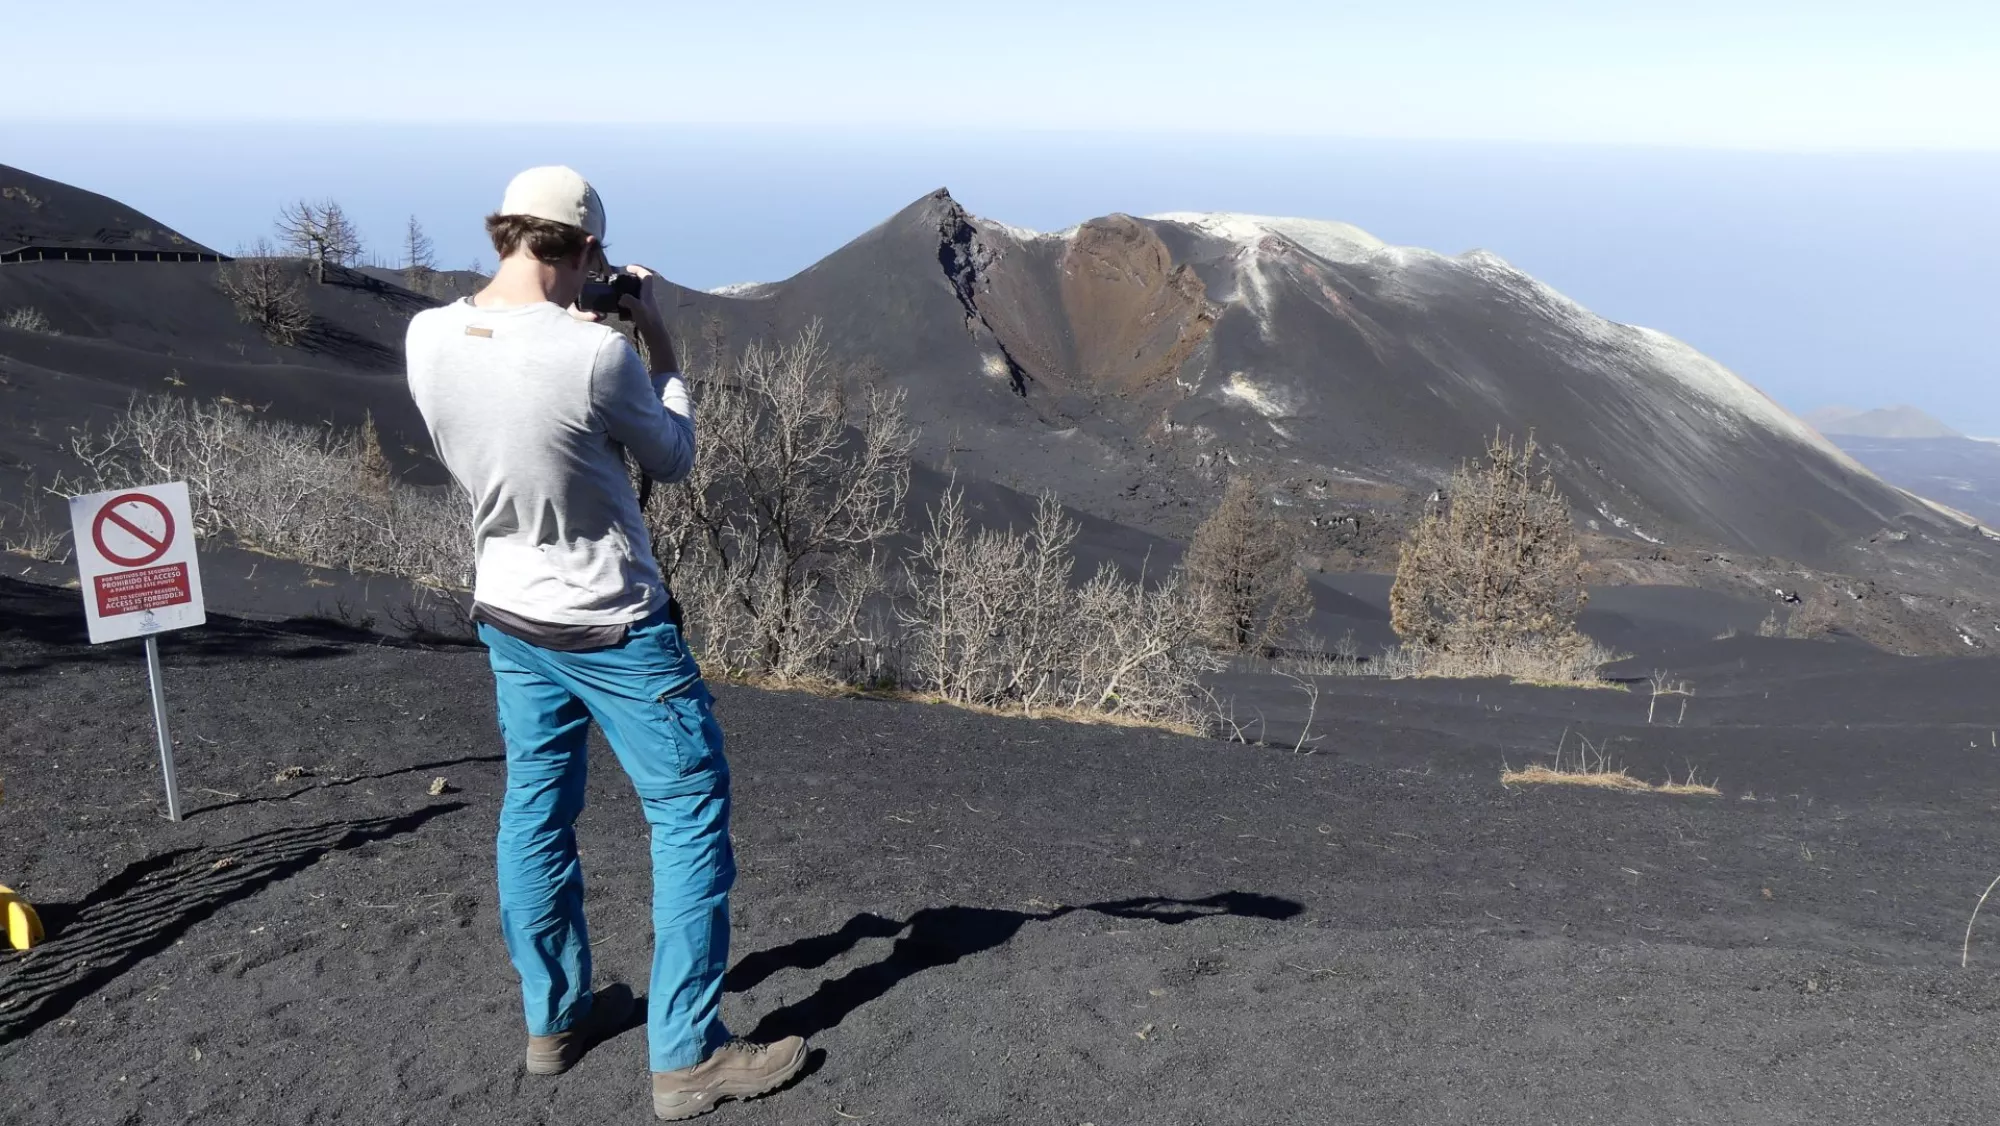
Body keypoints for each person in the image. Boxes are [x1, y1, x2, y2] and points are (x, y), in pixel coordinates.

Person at [405, 165, 806, 1121]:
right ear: (584, 251)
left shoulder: (426, 337)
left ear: (506, 233)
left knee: (537, 810)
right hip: (615, 625)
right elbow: (672, 453)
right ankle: (686, 1056)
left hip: (508, 611)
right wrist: (653, 334)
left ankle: (555, 1019)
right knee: (688, 818)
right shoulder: (595, 358)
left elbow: (504, 431)